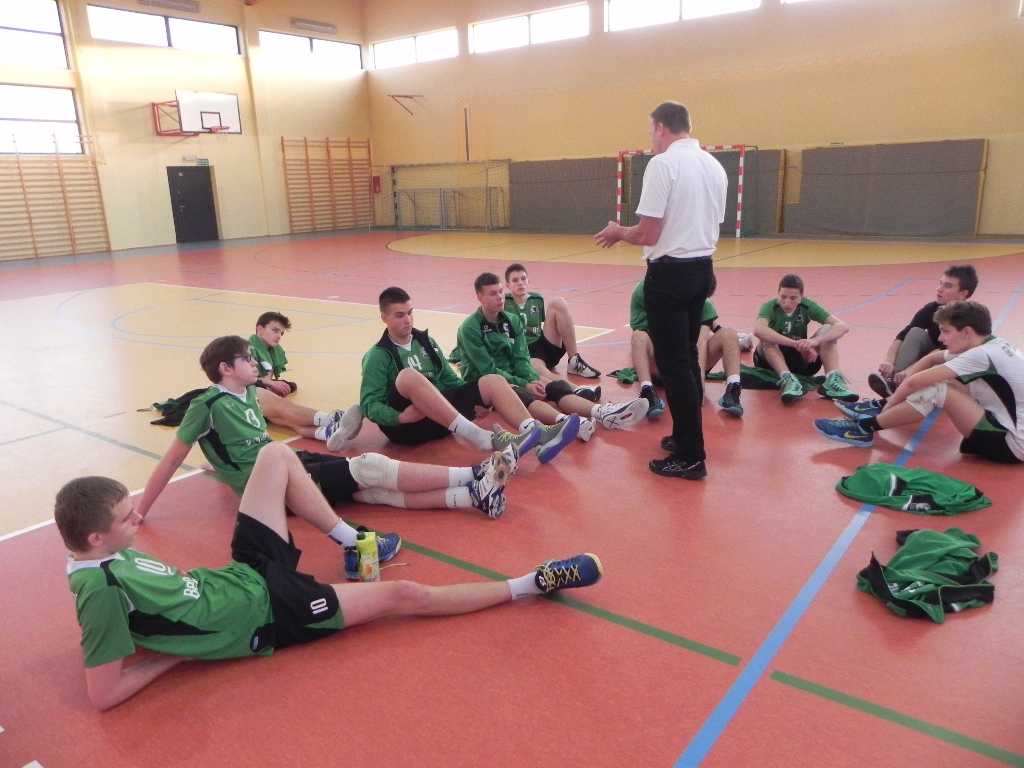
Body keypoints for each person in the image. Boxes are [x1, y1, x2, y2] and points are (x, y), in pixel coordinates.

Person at [57, 441, 603, 710]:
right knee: (405, 594)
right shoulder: (100, 588)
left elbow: (145, 613)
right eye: (126, 518)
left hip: (242, 575)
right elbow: (103, 693)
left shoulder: (101, 556)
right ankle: (532, 582)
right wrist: (177, 656)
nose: (138, 518)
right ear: (95, 538)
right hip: (268, 614)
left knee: (277, 455)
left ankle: (352, 539)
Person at [136, 335, 519, 522]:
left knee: (372, 493)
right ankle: (475, 473)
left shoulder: (250, 394)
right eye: (247, 358)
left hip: (289, 463)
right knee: (370, 468)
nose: (255, 362)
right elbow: (171, 460)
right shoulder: (206, 406)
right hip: (275, 489)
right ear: (225, 368)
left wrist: (219, 465)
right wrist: (141, 511)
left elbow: (235, 447)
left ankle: (473, 497)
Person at [594, 101, 726, 480]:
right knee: (687, 357)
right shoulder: (714, 166)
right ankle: (685, 436)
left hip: (670, 276)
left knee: (675, 364)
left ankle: (691, 455)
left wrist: (619, 231)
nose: (651, 138)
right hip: (702, 271)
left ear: (663, 129)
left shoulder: (663, 165)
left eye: (651, 130)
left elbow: (647, 234)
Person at [360, 287, 577, 464]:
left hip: (439, 419)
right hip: (407, 426)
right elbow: (369, 405)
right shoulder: (378, 355)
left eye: (410, 313)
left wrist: (477, 399)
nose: (408, 320)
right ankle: (479, 436)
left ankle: (538, 434)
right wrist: (399, 417)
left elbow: (451, 380)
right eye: (400, 315)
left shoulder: (426, 342)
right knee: (408, 376)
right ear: (384, 317)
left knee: (493, 381)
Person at [815, 301, 1023, 465]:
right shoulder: (994, 345)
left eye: (946, 331)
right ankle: (877, 410)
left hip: (1012, 444)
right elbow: (932, 358)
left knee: (938, 387)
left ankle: (863, 428)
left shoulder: (980, 355)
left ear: (967, 332)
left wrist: (889, 404)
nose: (941, 338)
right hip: (1008, 430)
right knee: (945, 377)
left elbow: (915, 383)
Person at [458, 273, 649, 443]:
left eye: (500, 291)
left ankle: (603, 413)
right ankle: (567, 423)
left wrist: (531, 379)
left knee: (554, 386)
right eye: (493, 294)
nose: (500, 297)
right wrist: (524, 385)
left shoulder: (511, 320)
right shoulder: (470, 328)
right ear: (480, 298)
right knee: (522, 394)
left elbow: (521, 358)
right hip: (487, 382)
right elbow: (488, 370)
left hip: (511, 372)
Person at [631, 274, 744, 419]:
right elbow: (648, 330)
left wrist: (699, 380)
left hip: (689, 362)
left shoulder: (705, 305)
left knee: (729, 334)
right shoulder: (651, 291)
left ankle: (733, 390)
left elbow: (700, 341)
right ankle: (648, 391)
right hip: (662, 360)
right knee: (638, 336)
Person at [868, 265, 978, 398]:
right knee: (915, 332)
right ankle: (896, 382)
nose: (939, 289)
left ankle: (902, 387)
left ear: (963, 294)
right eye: (940, 283)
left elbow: (944, 350)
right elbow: (904, 334)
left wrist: (911, 370)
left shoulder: (969, 318)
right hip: (931, 359)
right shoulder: (932, 309)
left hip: (953, 365)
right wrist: (888, 361)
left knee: (941, 362)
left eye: (948, 286)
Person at [752, 274, 859, 404]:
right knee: (767, 337)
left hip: (800, 359)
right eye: (783, 297)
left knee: (828, 328)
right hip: (770, 361)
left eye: (793, 298)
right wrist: (795, 344)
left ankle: (832, 379)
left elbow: (842, 326)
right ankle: (787, 379)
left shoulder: (807, 305)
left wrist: (814, 342)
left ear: (802, 296)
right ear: (778, 293)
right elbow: (759, 330)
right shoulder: (769, 306)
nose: (787, 303)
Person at [503, 263, 602, 386]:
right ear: (507, 286)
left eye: (523, 279)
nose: (520, 283)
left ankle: (574, 360)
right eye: (515, 280)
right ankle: (576, 389)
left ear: (528, 281)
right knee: (542, 373)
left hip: (541, 345)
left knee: (557, 302)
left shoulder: (537, 299)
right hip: (526, 352)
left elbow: (547, 324)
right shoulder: (503, 302)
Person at [250, 311, 296, 397]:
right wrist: (270, 383)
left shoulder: (274, 351)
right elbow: (241, 380)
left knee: (290, 386)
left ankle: (267, 391)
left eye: (281, 333)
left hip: (263, 384)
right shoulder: (247, 350)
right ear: (260, 329)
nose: (279, 336)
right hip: (248, 385)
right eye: (275, 330)